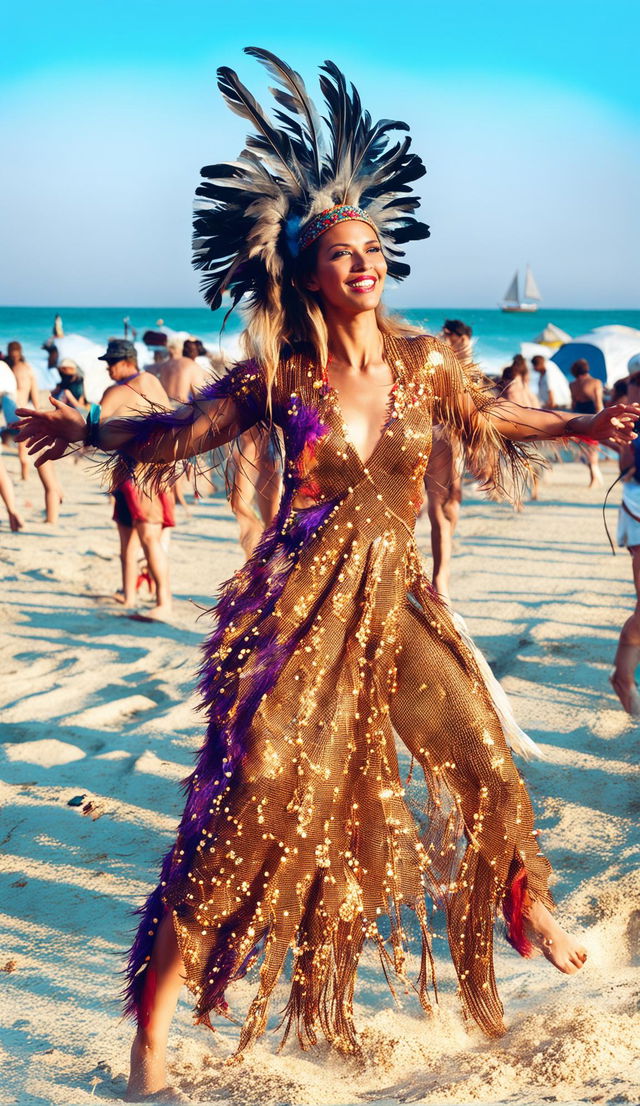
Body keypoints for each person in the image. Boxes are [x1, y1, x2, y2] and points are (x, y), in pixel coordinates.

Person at [18, 48, 639, 1101]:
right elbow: (177, 430)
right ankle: (153, 1037)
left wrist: (583, 419)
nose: (364, 261)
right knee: (245, 800)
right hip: (294, 609)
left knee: (482, 749)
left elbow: (489, 415)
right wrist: (81, 425)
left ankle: (520, 894)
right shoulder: (281, 374)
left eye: (373, 247)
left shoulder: (426, 363)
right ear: (307, 270)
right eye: (342, 251)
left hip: (399, 598)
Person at [97, 339, 176, 621]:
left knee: (147, 536)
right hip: (146, 467)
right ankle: (129, 594)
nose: (108, 368)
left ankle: (163, 602)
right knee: (128, 535)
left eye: (112, 362)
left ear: (127, 361)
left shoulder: (120, 389)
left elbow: (94, 420)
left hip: (141, 470)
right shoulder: (151, 381)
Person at [423, 319, 473, 599]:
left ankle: (442, 569)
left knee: (446, 506)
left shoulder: (456, 359)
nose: (444, 336)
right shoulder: (444, 357)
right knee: (442, 506)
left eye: (449, 334)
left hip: (449, 435)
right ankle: (441, 573)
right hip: (439, 434)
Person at [6, 341, 62, 523]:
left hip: (16, 411)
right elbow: (35, 394)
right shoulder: (26, 368)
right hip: (25, 410)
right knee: (30, 448)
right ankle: (30, 478)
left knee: (24, 447)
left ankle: (26, 477)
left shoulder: (9, 369)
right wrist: (39, 412)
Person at [570, 359, 604, 487]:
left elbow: (573, 403)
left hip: (577, 417)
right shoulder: (595, 382)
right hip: (591, 417)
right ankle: (594, 476)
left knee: (586, 449)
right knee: (593, 448)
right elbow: (599, 404)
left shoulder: (572, 385)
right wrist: (602, 420)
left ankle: (594, 475)